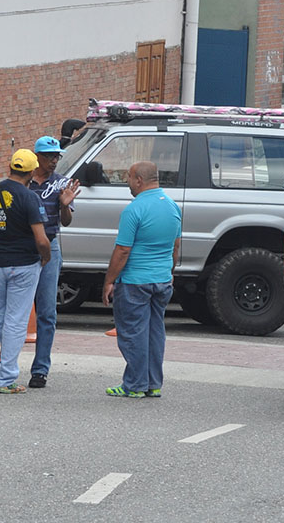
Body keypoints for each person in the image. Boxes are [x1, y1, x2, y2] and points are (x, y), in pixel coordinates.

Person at [0, 150, 51, 394]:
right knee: (15, 322)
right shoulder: (29, 198)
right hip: (23, 264)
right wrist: (45, 258)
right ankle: (6, 379)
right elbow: (42, 240)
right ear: (32, 171)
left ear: (11, 167)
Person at [103, 161, 182, 398]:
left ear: (139, 180)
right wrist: (169, 272)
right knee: (155, 332)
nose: (127, 182)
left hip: (135, 281)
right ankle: (153, 383)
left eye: (128, 177)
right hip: (161, 280)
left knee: (133, 333)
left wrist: (109, 281)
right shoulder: (172, 207)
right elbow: (175, 246)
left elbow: (123, 250)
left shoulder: (134, 209)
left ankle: (135, 385)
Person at [26, 135, 81, 389]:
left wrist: (65, 206)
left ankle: (40, 370)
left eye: (57, 156)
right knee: (16, 311)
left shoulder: (62, 183)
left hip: (50, 245)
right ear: (37, 157)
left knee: (47, 312)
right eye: (49, 156)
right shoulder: (24, 182)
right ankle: (5, 365)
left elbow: (66, 222)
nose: (54, 161)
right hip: (24, 248)